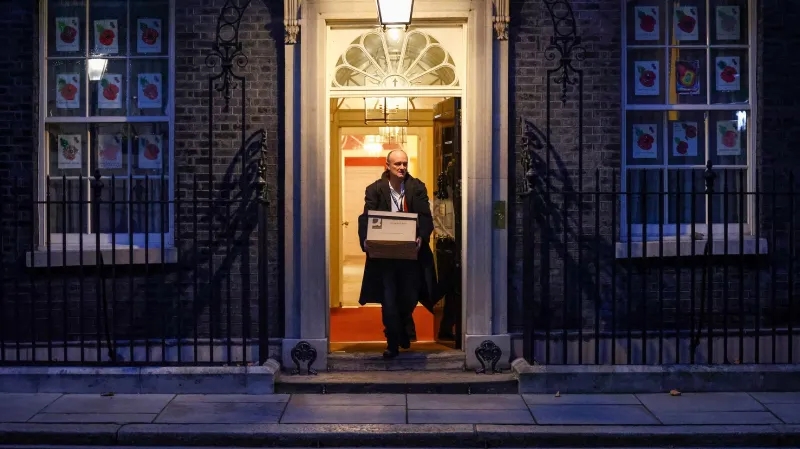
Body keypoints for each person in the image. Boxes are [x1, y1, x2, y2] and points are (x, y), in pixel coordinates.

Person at [357, 149, 437, 358]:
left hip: (411, 256)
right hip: (385, 258)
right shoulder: (375, 189)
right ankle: (392, 342)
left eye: (404, 164)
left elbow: (425, 216)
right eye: (397, 164)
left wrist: (422, 237)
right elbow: (367, 216)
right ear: (388, 166)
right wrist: (365, 240)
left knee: (410, 297)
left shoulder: (416, 187)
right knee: (389, 300)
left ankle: (402, 326)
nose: (402, 167)